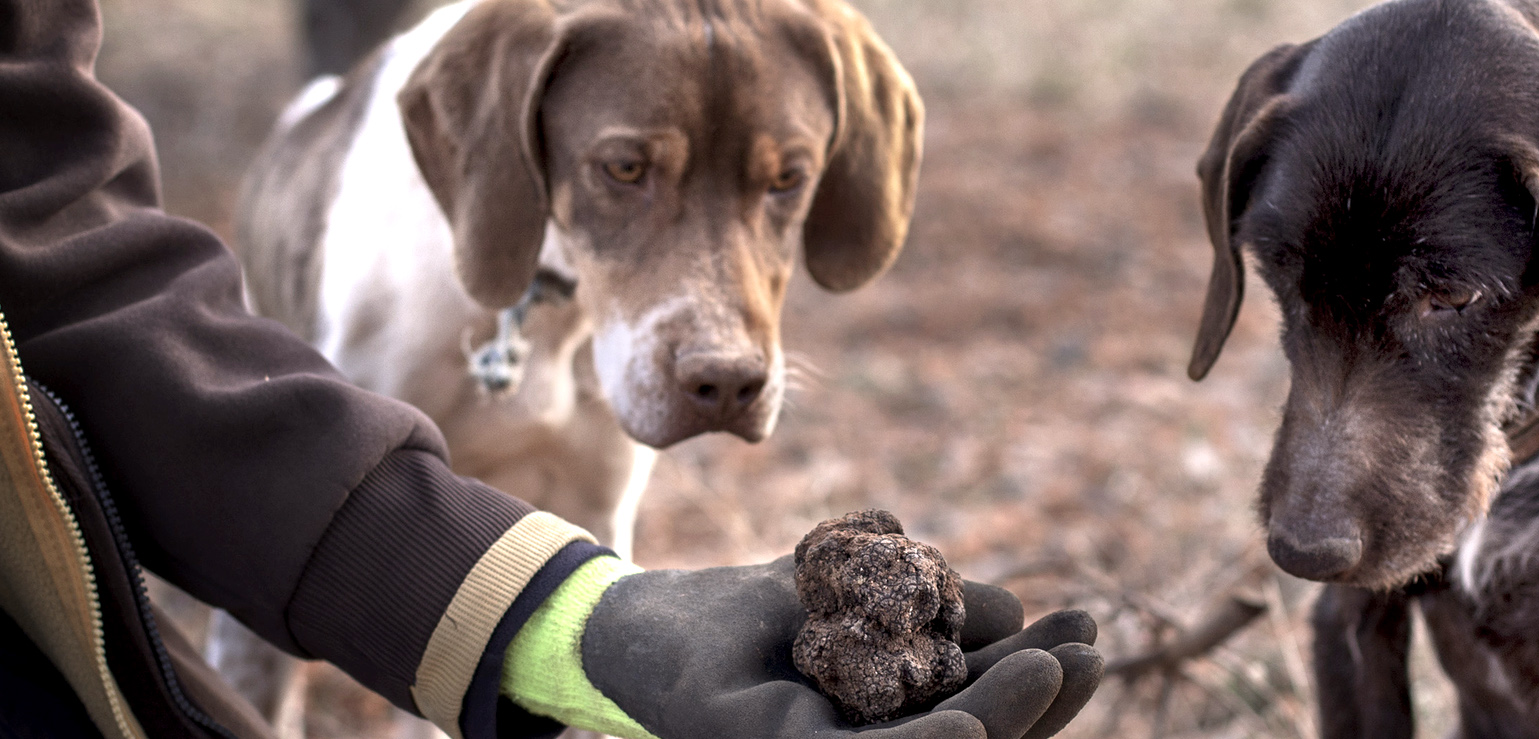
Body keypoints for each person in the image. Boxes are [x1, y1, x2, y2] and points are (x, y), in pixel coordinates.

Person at [0, 1, 1103, 737]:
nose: (725, 340)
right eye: (629, 170)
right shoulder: (397, 247)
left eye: (781, 184)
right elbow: (261, 508)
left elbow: (596, 544)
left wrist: (601, 648)